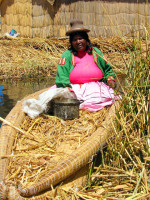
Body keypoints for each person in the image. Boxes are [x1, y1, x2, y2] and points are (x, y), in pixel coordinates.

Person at [54, 19, 120, 111]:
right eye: (75, 40)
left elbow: (107, 69)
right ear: (71, 42)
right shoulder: (67, 55)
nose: (78, 42)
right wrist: (67, 88)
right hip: (73, 88)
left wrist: (110, 79)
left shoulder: (96, 52)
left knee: (101, 98)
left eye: (81, 38)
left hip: (96, 87)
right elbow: (62, 73)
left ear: (86, 39)